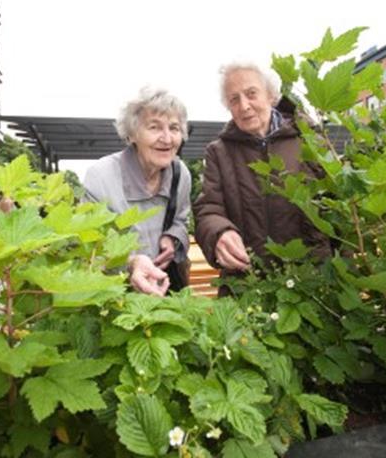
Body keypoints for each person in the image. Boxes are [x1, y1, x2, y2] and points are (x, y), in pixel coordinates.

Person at [193, 63, 331, 293]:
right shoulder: (219, 152)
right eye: (234, 99)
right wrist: (219, 233)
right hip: (247, 285)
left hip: (312, 285)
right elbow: (208, 208)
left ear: (271, 95)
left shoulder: (310, 139)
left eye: (251, 94)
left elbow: (336, 208)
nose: (244, 106)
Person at [83, 88, 191, 296]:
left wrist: (173, 237)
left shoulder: (181, 174)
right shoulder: (101, 176)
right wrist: (132, 262)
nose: (167, 139)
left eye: (174, 128)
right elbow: (88, 247)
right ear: (132, 134)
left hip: (164, 288)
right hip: (113, 294)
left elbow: (181, 220)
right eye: (155, 127)